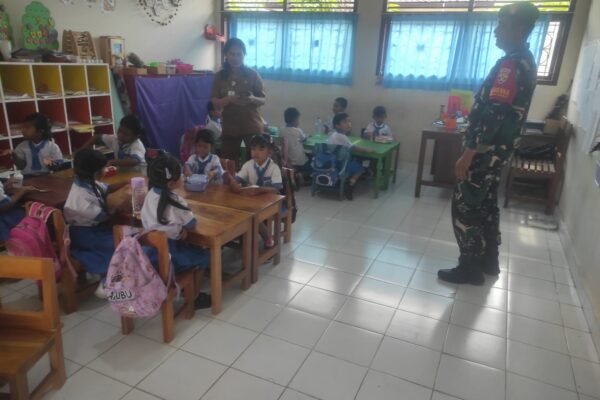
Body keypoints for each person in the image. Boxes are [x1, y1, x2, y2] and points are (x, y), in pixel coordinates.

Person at [438, 2, 540, 285]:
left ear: (519, 29)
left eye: (501, 26)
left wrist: (469, 153)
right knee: (486, 205)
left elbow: (494, 114)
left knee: (465, 207)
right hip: (498, 152)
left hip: (484, 152)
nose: (496, 31)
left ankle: (469, 267)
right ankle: (488, 261)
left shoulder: (510, 65)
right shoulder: (525, 60)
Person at [63, 149, 129, 296]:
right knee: (121, 244)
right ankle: (107, 282)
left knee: (123, 237)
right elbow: (105, 217)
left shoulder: (88, 182)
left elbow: (108, 188)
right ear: (96, 172)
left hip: (93, 229)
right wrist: (120, 202)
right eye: (104, 167)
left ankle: (112, 274)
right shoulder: (80, 197)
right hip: (84, 235)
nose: (106, 170)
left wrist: (126, 182)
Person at [141, 154, 209, 272]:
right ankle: (193, 284)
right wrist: (180, 230)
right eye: (181, 174)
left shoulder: (150, 194)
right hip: (171, 255)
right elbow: (192, 224)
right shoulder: (176, 201)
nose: (183, 176)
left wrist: (176, 230)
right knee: (205, 255)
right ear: (171, 183)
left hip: (150, 253)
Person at [211, 38, 266, 164]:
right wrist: (228, 99)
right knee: (227, 163)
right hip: (230, 127)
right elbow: (214, 102)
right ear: (226, 55)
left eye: (239, 54)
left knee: (256, 163)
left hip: (252, 125)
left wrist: (253, 98)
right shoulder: (220, 76)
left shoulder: (252, 74)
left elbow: (263, 100)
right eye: (232, 54)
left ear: (244, 55)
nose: (235, 58)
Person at [230, 134, 282, 248]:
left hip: (270, 203)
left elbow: (276, 189)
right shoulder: (248, 165)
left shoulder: (274, 168)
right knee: (236, 208)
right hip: (253, 201)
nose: (256, 152)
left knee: (253, 216)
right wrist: (234, 183)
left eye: (261, 149)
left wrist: (259, 190)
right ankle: (240, 235)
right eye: (253, 149)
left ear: (269, 152)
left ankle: (268, 238)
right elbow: (237, 179)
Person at [327, 113, 373, 200]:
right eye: (345, 122)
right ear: (337, 125)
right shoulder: (342, 137)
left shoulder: (333, 135)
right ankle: (350, 184)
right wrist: (367, 150)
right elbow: (353, 148)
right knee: (360, 169)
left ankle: (344, 181)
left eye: (349, 121)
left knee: (355, 160)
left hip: (332, 163)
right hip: (341, 165)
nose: (348, 124)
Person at [280, 107, 311, 173]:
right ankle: (303, 175)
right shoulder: (298, 131)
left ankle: (296, 174)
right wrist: (308, 136)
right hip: (300, 162)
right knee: (311, 159)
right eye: (298, 119)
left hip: (289, 162)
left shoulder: (282, 130)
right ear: (295, 120)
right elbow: (304, 139)